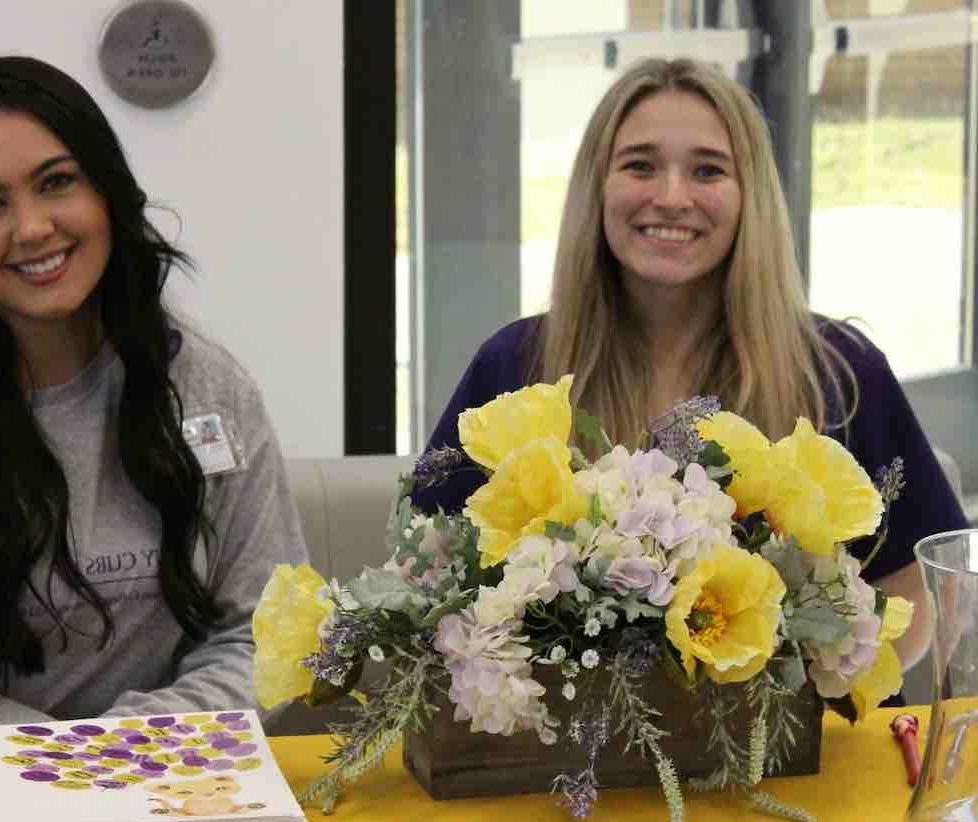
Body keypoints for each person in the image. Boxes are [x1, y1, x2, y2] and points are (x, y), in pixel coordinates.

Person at [0, 56, 306, 757]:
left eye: (57, 183)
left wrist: (127, 754)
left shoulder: (207, 386)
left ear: (106, 191)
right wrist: (82, 771)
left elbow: (265, 631)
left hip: (160, 768)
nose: (33, 228)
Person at [412, 57, 965, 676]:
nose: (671, 198)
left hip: (794, 759)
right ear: (597, 187)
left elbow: (925, 575)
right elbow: (429, 576)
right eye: (639, 166)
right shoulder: (514, 366)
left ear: (749, 194)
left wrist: (824, 691)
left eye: (708, 170)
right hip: (566, 759)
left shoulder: (840, 371)